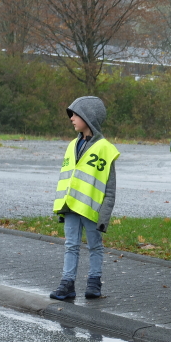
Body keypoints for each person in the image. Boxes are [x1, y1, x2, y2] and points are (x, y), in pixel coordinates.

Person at [50, 96, 119, 301]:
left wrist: (104, 217)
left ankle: (94, 283)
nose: (71, 118)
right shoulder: (72, 145)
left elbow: (110, 188)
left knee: (95, 246)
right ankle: (67, 284)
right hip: (70, 207)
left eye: (75, 114)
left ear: (88, 117)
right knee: (70, 245)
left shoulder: (106, 149)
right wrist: (62, 208)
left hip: (92, 211)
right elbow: (67, 178)